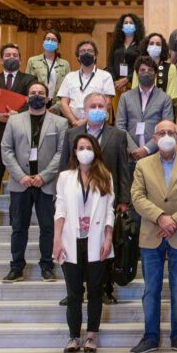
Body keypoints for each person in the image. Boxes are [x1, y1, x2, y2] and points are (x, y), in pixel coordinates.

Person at [130, 120, 177, 353]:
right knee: (151, 288)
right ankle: (150, 336)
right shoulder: (143, 164)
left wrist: (175, 220)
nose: (167, 136)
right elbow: (138, 197)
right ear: (154, 137)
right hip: (152, 234)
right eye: (162, 132)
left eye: (171, 132)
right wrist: (161, 217)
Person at [59, 92, 137, 304]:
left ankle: (104, 288)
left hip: (105, 199)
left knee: (104, 246)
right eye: (92, 105)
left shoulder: (118, 135)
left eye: (100, 106)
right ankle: (74, 290)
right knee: (77, 246)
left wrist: (123, 200)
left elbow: (123, 169)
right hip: (77, 199)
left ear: (107, 110)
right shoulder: (72, 134)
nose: (96, 109)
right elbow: (64, 166)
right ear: (84, 110)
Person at [52, 134, 115, 353]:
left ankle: (91, 335)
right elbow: (60, 210)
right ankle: (73, 336)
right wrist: (57, 239)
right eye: (81, 147)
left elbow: (109, 211)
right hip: (71, 240)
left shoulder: (105, 176)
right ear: (75, 152)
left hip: (96, 240)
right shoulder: (65, 177)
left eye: (88, 147)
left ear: (95, 151)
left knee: (96, 290)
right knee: (74, 291)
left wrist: (108, 238)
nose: (84, 151)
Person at [0, 81, 68, 282]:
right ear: (27, 97)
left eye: (40, 93)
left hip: (46, 183)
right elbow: (6, 149)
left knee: (48, 226)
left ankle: (47, 265)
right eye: (32, 92)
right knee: (19, 226)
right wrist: (20, 176)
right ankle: (17, 267)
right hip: (20, 183)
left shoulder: (60, 122)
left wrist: (44, 176)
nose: (36, 95)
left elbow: (61, 152)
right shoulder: (14, 121)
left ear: (47, 98)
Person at [0, 43, 34, 227]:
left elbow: (32, 100)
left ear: (20, 59)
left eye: (15, 55)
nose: (12, 58)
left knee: (19, 178)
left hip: (20, 136)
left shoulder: (29, 79)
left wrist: (17, 115)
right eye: (8, 55)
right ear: (1, 59)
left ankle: (16, 217)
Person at [116, 56, 175, 160]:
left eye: (150, 70)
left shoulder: (165, 98)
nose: (146, 73)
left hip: (156, 155)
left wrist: (147, 149)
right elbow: (120, 126)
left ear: (155, 74)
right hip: (130, 156)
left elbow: (167, 128)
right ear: (137, 73)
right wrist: (133, 150)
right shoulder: (125, 97)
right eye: (142, 70)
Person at [57, 40, 116, 126]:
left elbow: (107, 103)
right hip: (72, 125)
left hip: (97, 124)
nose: (86, 53)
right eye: (83, 51)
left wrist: (84, 122)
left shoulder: (105, 76)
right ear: (78, 57)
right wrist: (75, 122)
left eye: (90, 51)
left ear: (95, 56)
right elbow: (63, 104)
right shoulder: (69, 77)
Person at [25, 29, 70, 106]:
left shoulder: (65, 64)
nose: (50, 42)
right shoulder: (32, 61)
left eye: (53, 40)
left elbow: (68, 88)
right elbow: (27, 84)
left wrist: (58, 107)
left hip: (56, 103)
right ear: (43, 42)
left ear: (58, 44)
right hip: (37, 100)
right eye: (48, 39)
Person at [134, 32, 177, 107]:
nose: (154, 46)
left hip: (163, 112)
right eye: (151, 43)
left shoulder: (171, 68)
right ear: (146, 46)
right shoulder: (139, 67)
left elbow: (172, 97)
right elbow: (134, 95)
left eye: (158, 44)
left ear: (162, 48)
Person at [107, 13, 144, 94]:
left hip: (133, 83)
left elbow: (141, 65)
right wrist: (115, 81)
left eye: (131, 23)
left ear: (136, 26)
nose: (128, 25)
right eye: (126, 23)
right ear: (121, 26)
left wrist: (127, 79)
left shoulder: (141, 45)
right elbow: (110, 64)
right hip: (116, 85)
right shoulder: (116, 44)